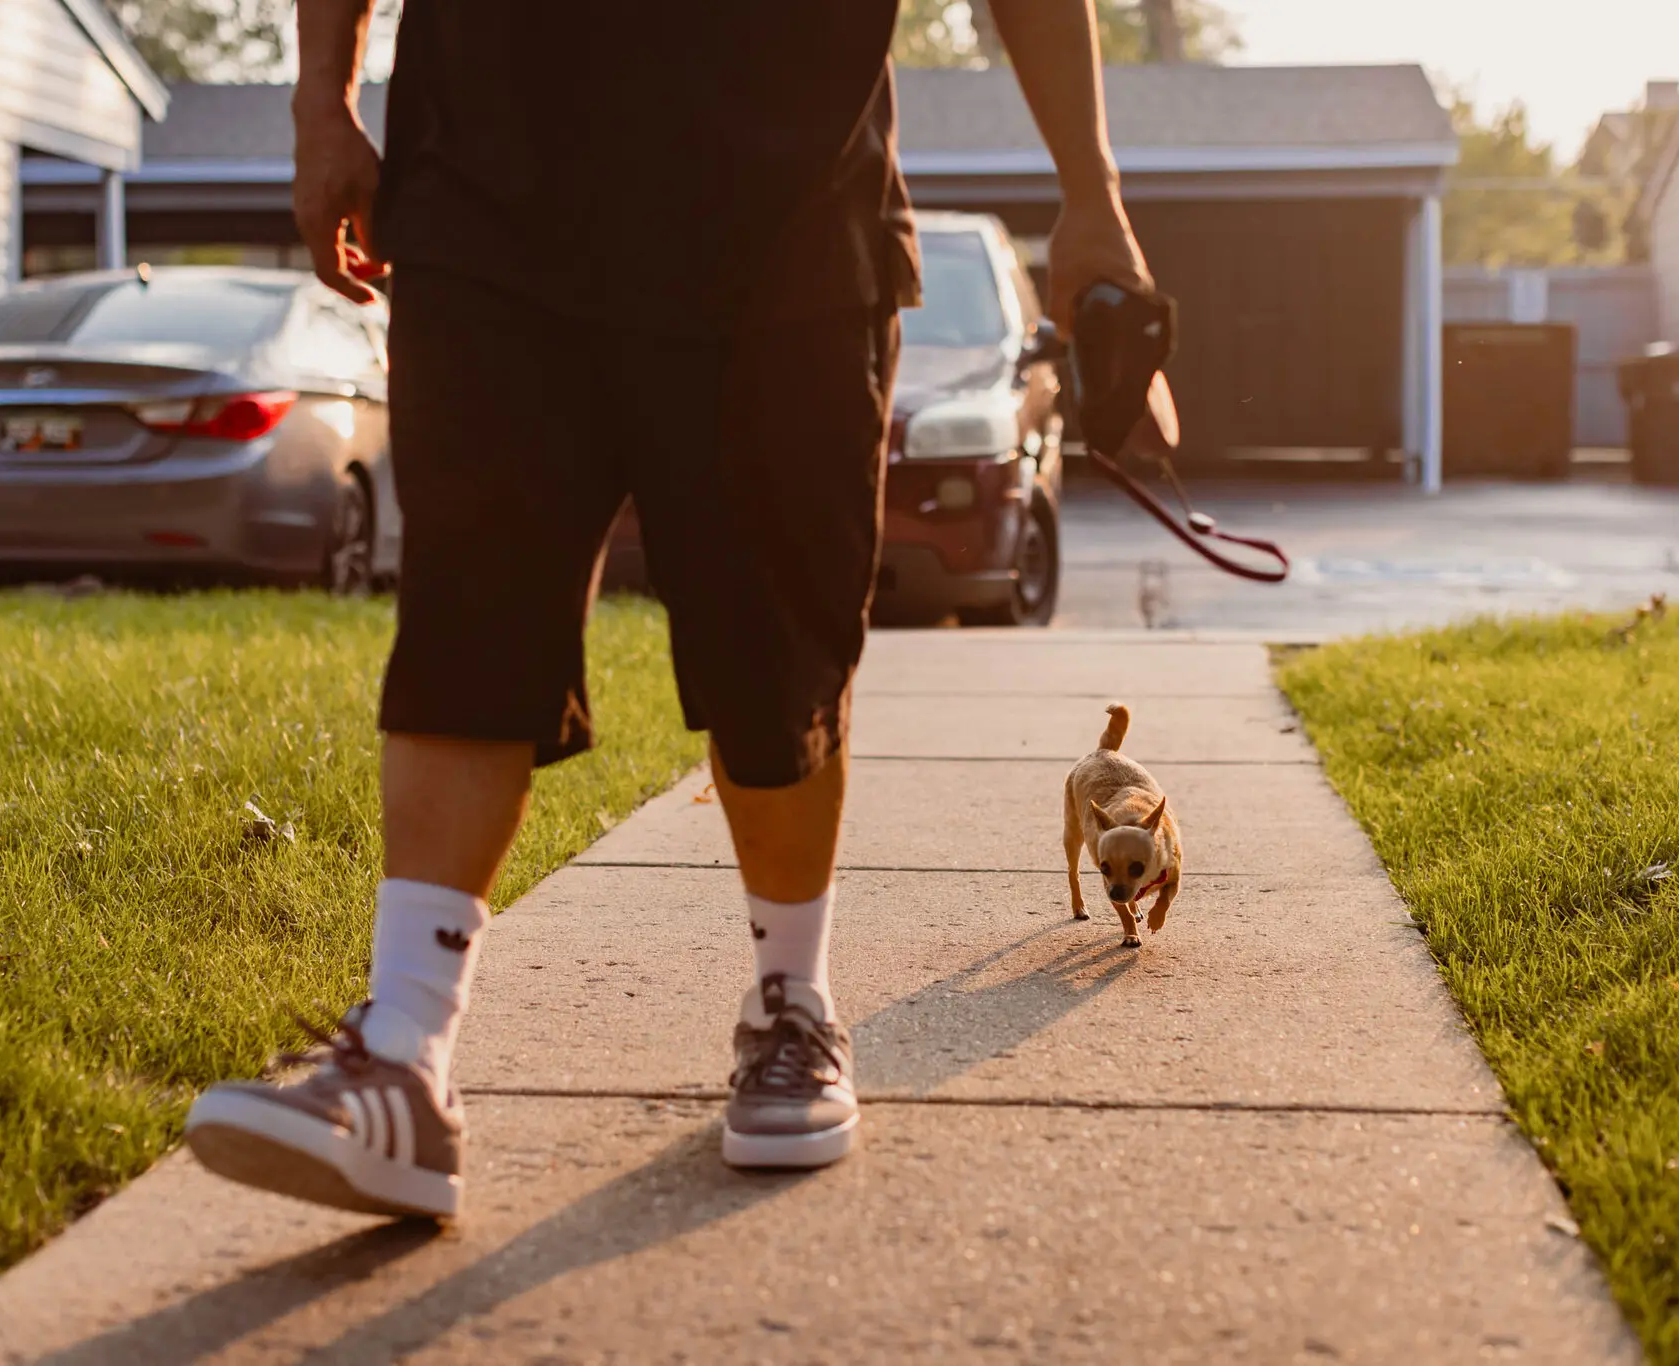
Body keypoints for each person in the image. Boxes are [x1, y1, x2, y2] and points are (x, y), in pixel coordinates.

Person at [183, 0, 1153, 1219]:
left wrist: (1091, 190)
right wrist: (320, 102)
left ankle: (790, 1005)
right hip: (487, 201)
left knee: (776, 652)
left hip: (786, 217)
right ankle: (403, 1060)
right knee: (466, 620)